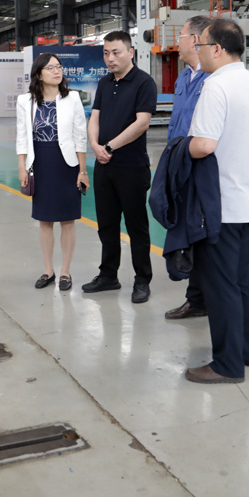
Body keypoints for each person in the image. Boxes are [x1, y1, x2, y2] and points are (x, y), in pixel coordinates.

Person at [185, 18, 249, 384]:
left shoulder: (216, 85)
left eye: (201, 45)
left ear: (217, 49)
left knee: (220, 288)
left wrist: (179, 149)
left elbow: (204, 144)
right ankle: (247, 351)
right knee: (241, 281)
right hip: (247, 201)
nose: (197, 50)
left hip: (220, 205)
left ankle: (227, 364)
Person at [83, 31, 158, 303]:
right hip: (104, 166)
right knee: (107, 224)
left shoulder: (144, 82)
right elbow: (95, 117)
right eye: (106, 53)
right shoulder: (104, 83)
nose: (110, 58)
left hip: (131, 167)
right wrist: (95, 145)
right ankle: (108, 275)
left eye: (116, 52)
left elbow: (142, 123)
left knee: (137, 226)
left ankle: (142, 279)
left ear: (130, 52)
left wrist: (110, 147)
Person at [17, 53, 89, 291]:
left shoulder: (72, 98)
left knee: (68, 220)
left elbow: (80, 136)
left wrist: (82, 171)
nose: (57, 71)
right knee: (45, 219)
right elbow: (22, 136)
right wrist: (22, 167)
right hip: (40, 163)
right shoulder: (25, 101)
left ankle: (66, 271)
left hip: (67, 164)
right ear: (39, 74)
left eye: (58, 67)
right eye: (50, 68)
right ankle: (48, 270)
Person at [163, 15, 211, 321]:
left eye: (179, 35)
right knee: (187, 231)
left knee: (203, 233)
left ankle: (203, 298)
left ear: (195, 40)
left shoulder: (213, 79)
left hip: (202, 167)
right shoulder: (183, 77)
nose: (175, 42)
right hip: (179, 165)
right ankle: (196, 298)